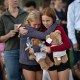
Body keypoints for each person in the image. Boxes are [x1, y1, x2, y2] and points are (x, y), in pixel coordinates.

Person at [19, 10, 59, 80]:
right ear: (29, 22)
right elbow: (44, 36)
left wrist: (35, 49)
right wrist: (55, 23)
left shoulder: (40, 29)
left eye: (39, 24)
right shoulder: (27, 30)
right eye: (35, 24)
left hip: (38, 62)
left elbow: (42, 45)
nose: (37, 27)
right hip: (27, 62)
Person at [0, 0, 28, 80]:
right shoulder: (2, 17)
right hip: (10, 52)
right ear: (7, 1)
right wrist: (9, 35)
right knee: (13, 77)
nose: (15, 0)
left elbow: (33, 30)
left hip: (26, 51)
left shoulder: (26, 14)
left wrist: (26, 30)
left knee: (26, 78)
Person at [40, 7, 71, 80]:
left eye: (48, 20)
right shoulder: (42, 30)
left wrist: (52, 49)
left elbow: (67, 44)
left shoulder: (59, 28)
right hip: (51, 61)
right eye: (43, 20)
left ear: (53, 19)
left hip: (62, 58)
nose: (45, 23)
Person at [67, 0, 80, 66]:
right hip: (78, 35)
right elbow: (70, 25)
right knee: (77, 60)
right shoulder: (72, 6)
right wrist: (74, 42)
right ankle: (75, 76)